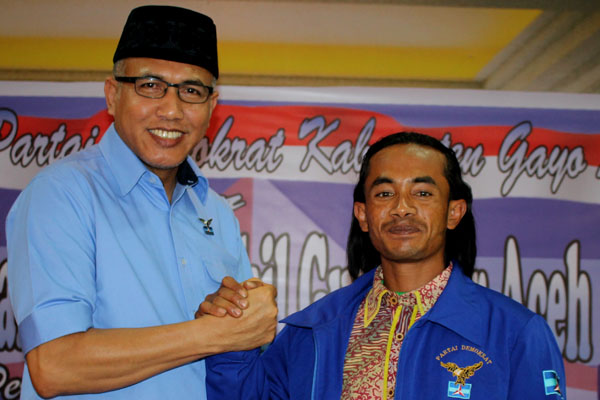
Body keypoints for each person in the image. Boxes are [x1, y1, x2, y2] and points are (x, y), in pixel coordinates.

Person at [6, 5, 277, 399]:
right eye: (150, 85)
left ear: (212, 107)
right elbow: (54, 365)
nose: (171, 110)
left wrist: (253, 317)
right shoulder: (61, 194)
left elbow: (242, 347)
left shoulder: (217, 212)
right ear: (113, 95)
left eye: (191, 91)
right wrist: (212, 333)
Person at [204, 132, 566, 399]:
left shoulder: (515, 332)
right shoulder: (312, 331)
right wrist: (233, 335)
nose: (402, 208)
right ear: (363, 215)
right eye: (384, 193)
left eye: (422, 193)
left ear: (454, 212)